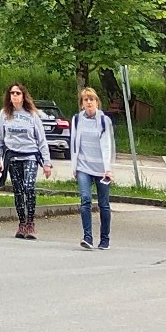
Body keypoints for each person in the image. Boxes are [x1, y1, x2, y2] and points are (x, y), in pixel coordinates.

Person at [0, 83, 50, 238]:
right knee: (18, 191)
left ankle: (30, 223)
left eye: (17, 93)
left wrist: (46, 163)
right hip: (13, 157)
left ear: (23, 96)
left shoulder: (32, 115)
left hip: (30, 155)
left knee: (29, 187)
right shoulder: (5, 114)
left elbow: (42, 140)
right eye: (12, 93)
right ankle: (22, 223)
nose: (14, 96)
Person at [70, 85, 116, 250]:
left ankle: (105, 239)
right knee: (85, 200)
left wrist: (109, 168)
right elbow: (74, 143)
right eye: (86, 100)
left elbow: (109, 145)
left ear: (97, 102)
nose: (89, 102)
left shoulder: (104, 121)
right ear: (82, 103)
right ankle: (87, 236)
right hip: (84, 167)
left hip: (102, 169)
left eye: (92, 99)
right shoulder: (77, 120)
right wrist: (74, 166)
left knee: (103, 204)